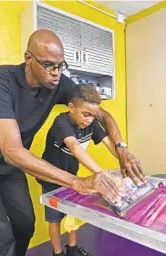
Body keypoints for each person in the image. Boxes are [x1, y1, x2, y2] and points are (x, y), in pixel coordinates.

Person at [0, 29, 145, 256]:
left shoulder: (59, 84)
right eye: (48, 65)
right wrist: (78, 182)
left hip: (10, 166)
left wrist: (122, 150)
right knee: (0, 236)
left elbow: (103, 115)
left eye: (60, 65)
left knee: (25, 224)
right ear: (28, 58)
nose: (56, 73)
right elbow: (11, 149)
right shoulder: (0, 79)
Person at [39, 84, 119, 256]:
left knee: (71, 212)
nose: (89, 120)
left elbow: (109, 144)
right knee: (54, 218)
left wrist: (125, 159)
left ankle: (73, 249)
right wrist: (102, 174)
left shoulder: (92, 124)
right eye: (85, 114)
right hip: (52, 178)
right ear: (71, 107)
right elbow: (75, 147)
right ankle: (57, 252)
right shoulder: (61, 122)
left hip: (72, 177)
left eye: (93, 115)